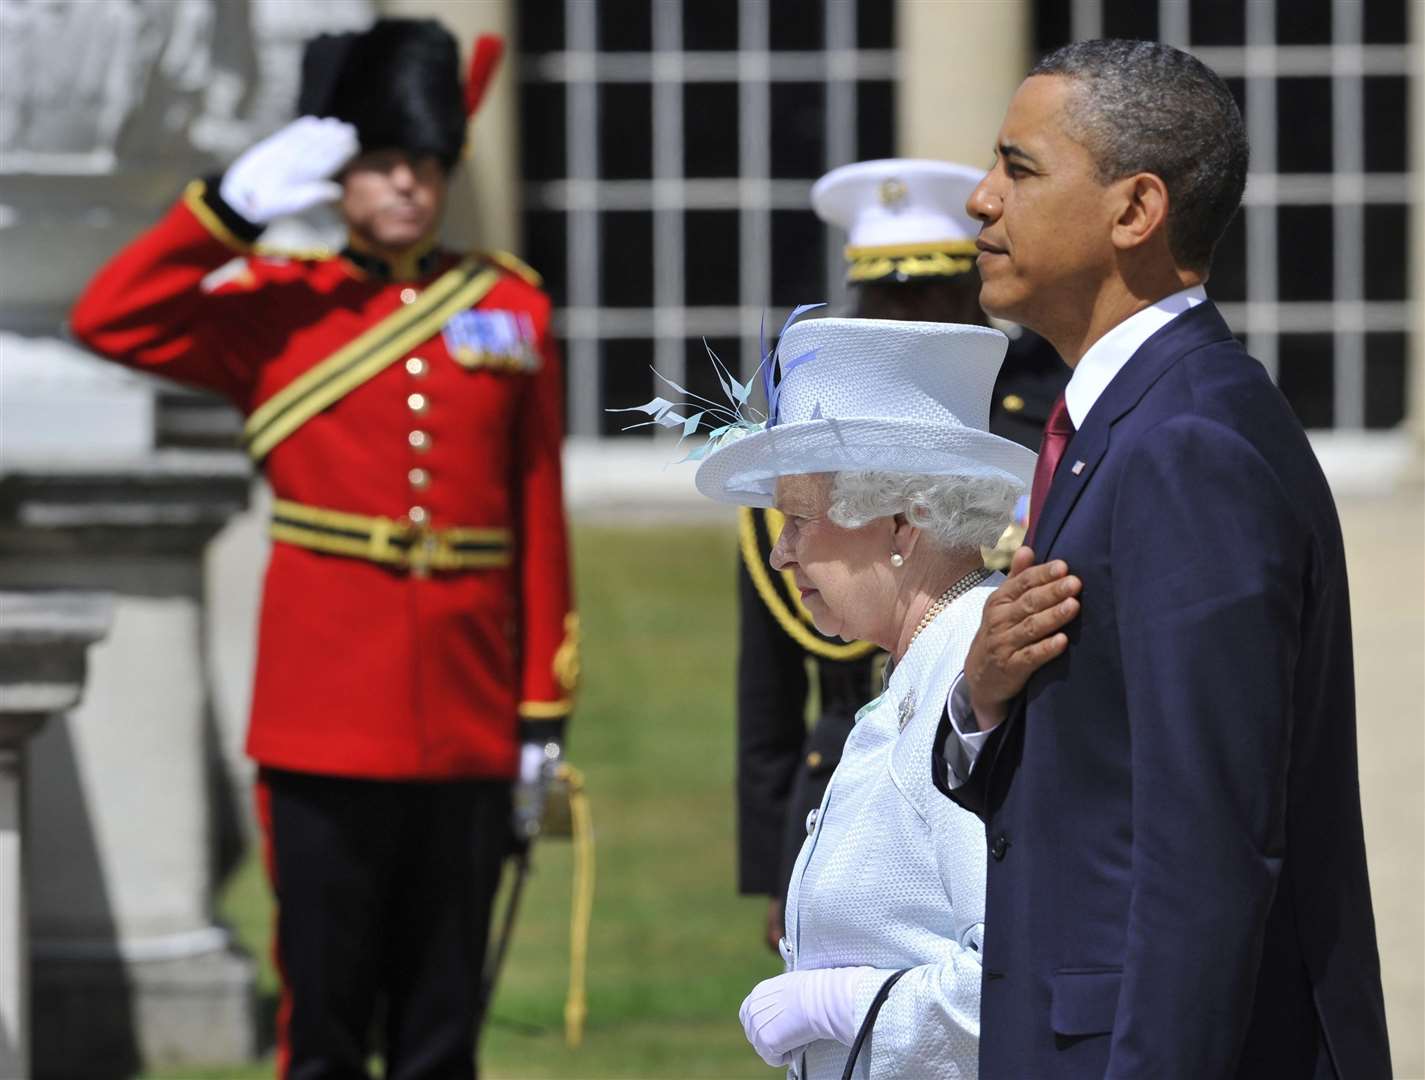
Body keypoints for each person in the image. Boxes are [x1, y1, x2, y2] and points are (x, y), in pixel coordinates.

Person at [69, 19, 576, 1079]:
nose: (407, 185)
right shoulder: (274, 310)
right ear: (335, 178)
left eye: (425, 164)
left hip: (470, 709)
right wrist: (228, 209)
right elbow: (109, 317)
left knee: (444, 1016)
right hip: (324, 716)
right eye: (382, 164)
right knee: (328, 1010)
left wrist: (539, 708)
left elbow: (537, 513)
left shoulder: (507, 306)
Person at [935, 39, 1391, 1077]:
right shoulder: (1119, 424)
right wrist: (979, 703)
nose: (980, 199)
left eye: (1019, 167)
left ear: (1134, 211)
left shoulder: (1189, 445)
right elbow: (1087, 786)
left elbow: (1208, 854)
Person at [675, 313, 1036, 1076]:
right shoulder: (926, 661)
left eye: (799, 520)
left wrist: (845, 1006)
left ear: (901, 524)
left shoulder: (974, 675)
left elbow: (1019, 977)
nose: (779, 553)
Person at [736, 160, 1068, 952]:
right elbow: (769, 697)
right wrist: (780, 870)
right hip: (846, 774)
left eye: (926, 296)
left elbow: (996, 956)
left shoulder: (1029, 439)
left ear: (903, 524)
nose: (904, 316)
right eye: (885, 300)